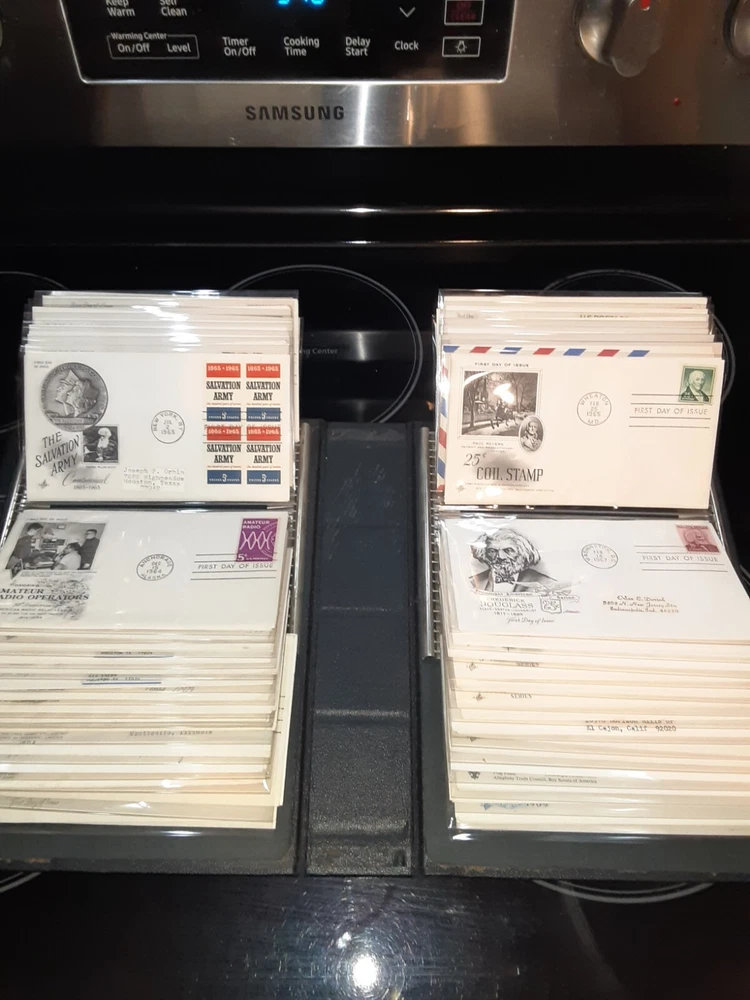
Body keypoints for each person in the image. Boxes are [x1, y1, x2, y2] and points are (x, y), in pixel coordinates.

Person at [470, 527, 557, 593]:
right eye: (492, 551)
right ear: (485, 554)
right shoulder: (473, 582)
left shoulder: (545, 582)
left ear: (522, 553)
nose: (500, 556)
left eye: (508, 550)